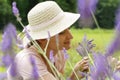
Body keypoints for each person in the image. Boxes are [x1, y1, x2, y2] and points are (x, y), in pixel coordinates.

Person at [7, 1, 89, 80]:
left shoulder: (59, 54)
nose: (71, 36)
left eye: (69, 28)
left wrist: (73, 77)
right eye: (61, 32)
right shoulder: (29, 61)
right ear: (42, 38)